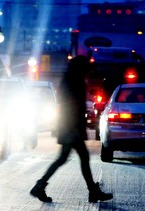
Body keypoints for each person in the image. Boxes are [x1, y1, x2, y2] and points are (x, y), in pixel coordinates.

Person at [30, 55, 113, 203]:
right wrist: (75, 128)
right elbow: (72, 107)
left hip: (69, 126)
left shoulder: (69, 81)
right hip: (72, 127)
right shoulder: (74, 82)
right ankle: (92, 191)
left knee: (66, 158)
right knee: (79, 158)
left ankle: (41, 186)